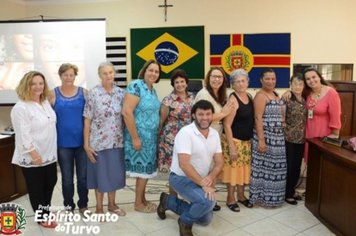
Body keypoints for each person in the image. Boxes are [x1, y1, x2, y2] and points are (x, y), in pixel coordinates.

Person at [157, 100, 224, 236]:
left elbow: (219, 162)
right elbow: (184, 164)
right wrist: (203, 184)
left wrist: (210, 178)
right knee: (207, 201)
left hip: (201, 179)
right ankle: (185, 222)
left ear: (212, 116)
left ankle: (168, 201)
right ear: (193, 115)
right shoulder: (186, 133)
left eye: (208, 114)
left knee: (205, 219)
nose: (205, 118)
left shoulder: (214, 134)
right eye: (200, 114)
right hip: (180, 178)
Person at [11, 71, 58, 228]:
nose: (38, 87)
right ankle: (42, 217)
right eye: (33, 84)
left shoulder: (44, 102)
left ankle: (45, 211)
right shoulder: (21, 108)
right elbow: (23, 135)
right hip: (33, 155)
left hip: (49, 153)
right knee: (36, 187)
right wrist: (33, 153)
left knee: (50, 182)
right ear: (26, 86)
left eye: (41, 83)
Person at [83, 62, 126, 216]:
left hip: (117, 141)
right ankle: (99, 207)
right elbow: (87, 119)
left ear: (114, 73)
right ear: (100, 75)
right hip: (98, 143)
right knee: (100, 176)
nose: (108, 76)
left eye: (111, 72)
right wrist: (86, 145)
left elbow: (126, 116)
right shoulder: (93, 93)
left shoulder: (121, 93)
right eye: (105, 73)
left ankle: (112, 205)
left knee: (114, 174)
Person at [49, 63, 89, 213]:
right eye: (65, 75)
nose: (68, 78)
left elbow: (90, 117)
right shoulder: (52, 94)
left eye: (71, 75)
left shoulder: (84, 93)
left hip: (82, 143)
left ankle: (83, 205)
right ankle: (68, 206)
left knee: (83, 177)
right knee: (66, 178)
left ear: (75, 76)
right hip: (63, 144)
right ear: (60, 76)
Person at [122, 59, 161, 213]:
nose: (153, 73)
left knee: (145, 172)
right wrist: (135, 138)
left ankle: (142, 199)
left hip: (150, 139)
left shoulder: (152, 89)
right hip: (138, 137)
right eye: (150, 70)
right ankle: (138, 204)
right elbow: (126, 112)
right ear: (144, 71)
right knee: (142, 171)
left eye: (156, 72)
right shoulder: (136, 86)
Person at [194, 67, 234, 211]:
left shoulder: (221, 95)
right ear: (208, 78)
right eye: (213, 76)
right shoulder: (204, 94)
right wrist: (223, 114)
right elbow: (203, 117)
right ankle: (203, 200)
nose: (216, 79)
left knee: (213, 169)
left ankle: (210, 200)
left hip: (215, 136)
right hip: (203, 136)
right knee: (204, 169)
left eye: (219, 77)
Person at [249, 68, 287, 207]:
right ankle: (262, 199)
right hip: (266, 137)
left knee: (277, 169)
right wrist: (262, 140)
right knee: (264, 170)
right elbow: (258, 118)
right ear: (261, 80)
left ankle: (275, 199)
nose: (271, 81)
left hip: (278, 138)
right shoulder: (260, 96)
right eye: (267, 79)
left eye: (273, 78)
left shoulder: (276, 95)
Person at [220, 69, 254, 212]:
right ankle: (230, 198)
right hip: (233, 141)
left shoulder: (249, 97)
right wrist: (232, 147)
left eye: (243, 80)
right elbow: (226, 124)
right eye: (237, 82)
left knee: (243, 171)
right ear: (232, 85)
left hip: (246, 142)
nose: (240, 84)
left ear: (247, 82)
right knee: (232, 171)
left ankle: (241, 195)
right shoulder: (233, 100)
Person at [158, 69, 195, 194]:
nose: (180, 84)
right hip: (171, 140)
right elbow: (161, 121)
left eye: (182, 81)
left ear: (186, 82)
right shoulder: (168, 100)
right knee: (174, 169)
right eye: (176, 82)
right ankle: (172, 198)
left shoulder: (193, 98)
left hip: (189, 138)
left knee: (188, 167)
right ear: (173, 84)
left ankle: (188, 196)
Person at [303, 67, 341, 161]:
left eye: (313, 77)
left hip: (324, 134)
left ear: (319, 77)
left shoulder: (331, 92)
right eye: (308, 79)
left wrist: (335, 135)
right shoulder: (307, 92)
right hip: (310, 132)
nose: (311, 80)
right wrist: (287, 92)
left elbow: (336, 115)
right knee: (312, 163)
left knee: (321, 162)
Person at [284, 73, 307, 205]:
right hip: (289, 139)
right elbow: (281, 118)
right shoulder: (287, 98)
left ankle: (292, 190)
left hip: (302, 139)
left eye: (300, 84)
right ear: (290, 84)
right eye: (295, 84)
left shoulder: (305, 99)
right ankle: (287, 194)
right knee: (289, 167)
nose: (297, 86)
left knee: (297, 167)